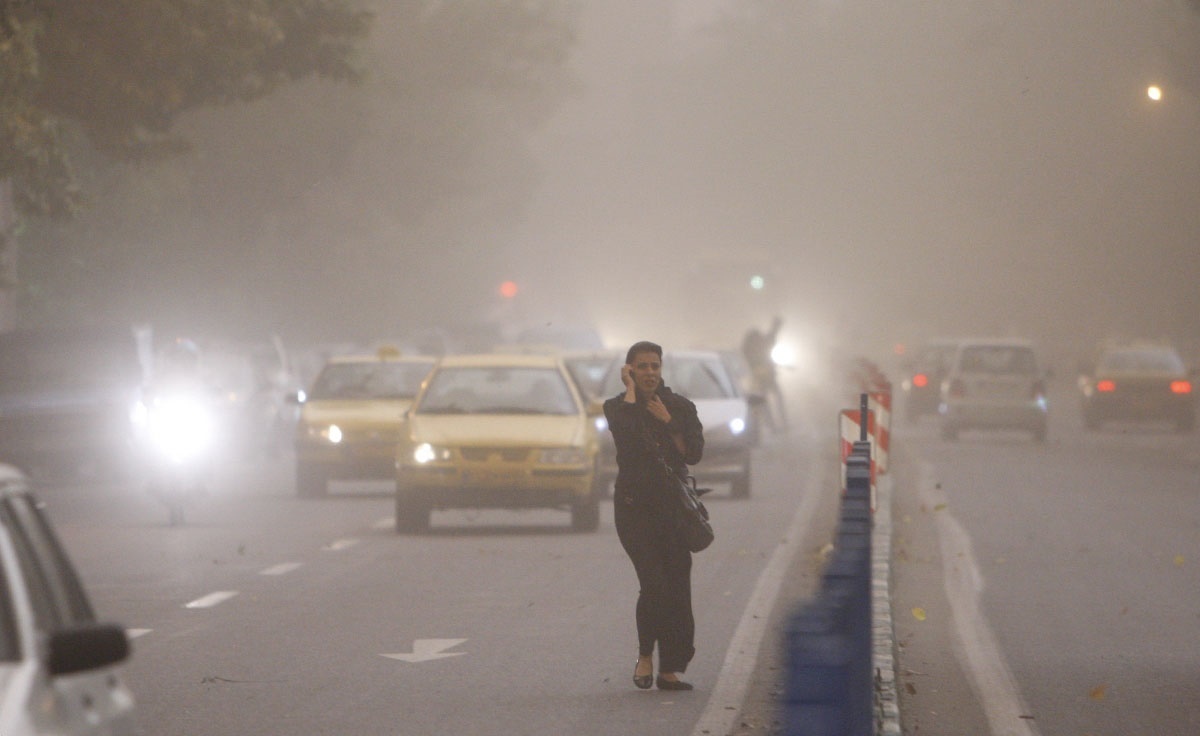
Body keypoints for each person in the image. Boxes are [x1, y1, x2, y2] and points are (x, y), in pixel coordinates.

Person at [604, 341, 704, 691]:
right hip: (634, 511)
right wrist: (631, 392)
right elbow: (627, 436)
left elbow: (694, 453)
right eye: (642, 367)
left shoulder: (680, 406)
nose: (649, 373)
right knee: (654, 585)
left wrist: (670, 422)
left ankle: (670, 668)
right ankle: (646, 654)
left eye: (655, 366)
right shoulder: (617, 407)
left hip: (672, 511)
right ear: (630, 370)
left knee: (677, 587)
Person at [741, 315, 787, 431]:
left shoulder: (748, 348)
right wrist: (776, 325)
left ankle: (772, 425)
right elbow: (771, 336)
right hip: (767, 377)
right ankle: (780, 423)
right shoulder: (761, 344)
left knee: (766, 402)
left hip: (761, 378)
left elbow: (771, 337)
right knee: (775, 399)